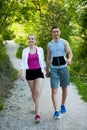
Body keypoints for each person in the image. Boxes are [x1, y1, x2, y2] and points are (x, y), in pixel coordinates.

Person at [46, 26, 73, 119]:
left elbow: (70, 53)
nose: (55, 33)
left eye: (57, 31)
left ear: (60, 32)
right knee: (54, 90)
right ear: (52, 33)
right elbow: (49, 58)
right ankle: (56, 111)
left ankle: (63, 104)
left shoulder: (64, 42)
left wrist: (69, 59)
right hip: (54, 69)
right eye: (54, 32)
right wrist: (47, 70)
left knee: (64, 88)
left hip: (63, 68)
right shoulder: (49, 44)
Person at [20, 34, 46, 123]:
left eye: (32, 39)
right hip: (29, 73)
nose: (31, 40)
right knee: (33, 92)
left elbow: (43, 61)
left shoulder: (40, 50)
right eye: (29, 39)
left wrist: (47, 70)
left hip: (39, 71)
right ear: (28, 40)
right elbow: (23, 63)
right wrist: (22, 73)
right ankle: (37, 107)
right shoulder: (25, 51)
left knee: (38, 92)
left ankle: (37, 114)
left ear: (35, 40)